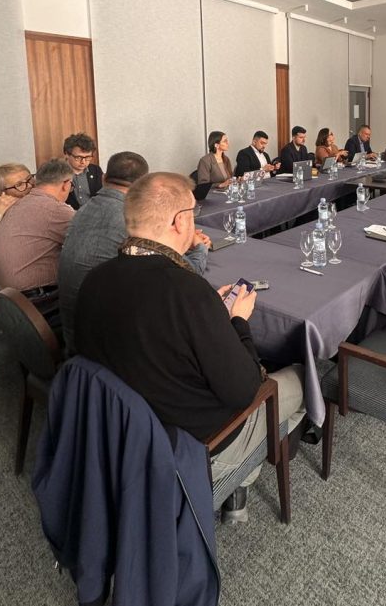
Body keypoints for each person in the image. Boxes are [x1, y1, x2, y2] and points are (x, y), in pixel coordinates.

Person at [74, 172, 304, 524]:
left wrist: (211, 312)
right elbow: (244, 390)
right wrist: (237, 320)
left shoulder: (94, 280)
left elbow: (153, 327)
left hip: (121, 434)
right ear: (180, 221)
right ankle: (240, 475)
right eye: (193, 214)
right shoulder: (187, 291)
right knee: (303, 378)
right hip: (193, 448)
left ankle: (238, 484)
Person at [58, 151, 149, 354]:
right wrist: (199, 249)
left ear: (104, 178)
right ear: (143, 186)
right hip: (103, 346)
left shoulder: (81, 211)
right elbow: (177, 270)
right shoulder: (131, 218)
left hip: (72, 336)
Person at [0, 158, 74, 294]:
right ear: (66, 185)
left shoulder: (18, 204)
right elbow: (89, 242)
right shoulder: (54, 209)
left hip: (4, 297)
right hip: (34, 297)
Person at [63, 133, 103, 211]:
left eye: (88, 157)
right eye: (78, 157)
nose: (83, 162)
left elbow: (101, 196)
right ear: (67, 154)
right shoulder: (57, 172)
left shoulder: (96, 170)